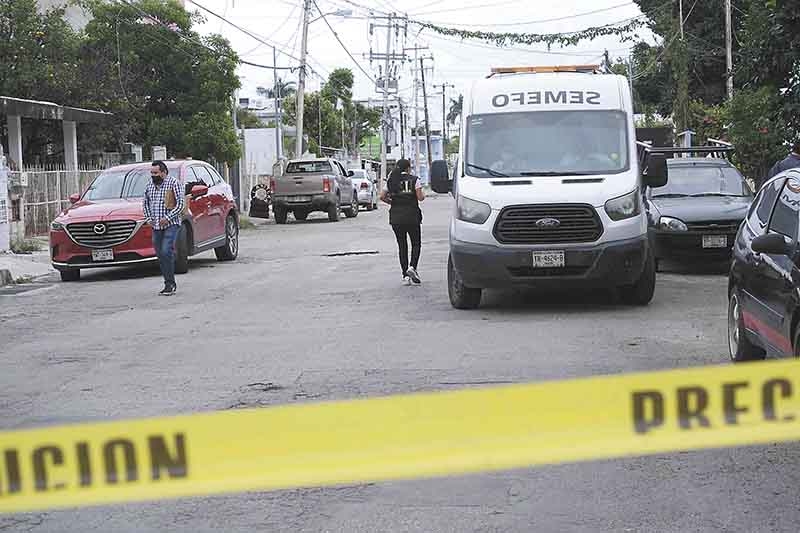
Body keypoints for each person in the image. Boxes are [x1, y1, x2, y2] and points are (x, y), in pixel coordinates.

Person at [143, 160, 185, 296]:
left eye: (156, 173)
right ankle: (168, 281)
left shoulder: (174, 183)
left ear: (164, 172)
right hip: (156, 226)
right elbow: (146, 204)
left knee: (166, 250)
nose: (153, 175)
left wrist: (167, 218)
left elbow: (180, 204)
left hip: (171, 224)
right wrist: (149, 218)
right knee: (160, 254)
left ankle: (170, 284)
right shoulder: (149, 185)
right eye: (152, 173)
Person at [381, 158, 424, 285]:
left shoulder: (391, 180)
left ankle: (405, 276)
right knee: (416, 244)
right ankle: (412, 267)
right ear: (408, 168)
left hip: (396, 218)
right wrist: (422, 195)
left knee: (402, 246)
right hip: (412, 217)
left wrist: (392, 202)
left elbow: (382, 196)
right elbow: (420, 198)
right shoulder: (414, 180)